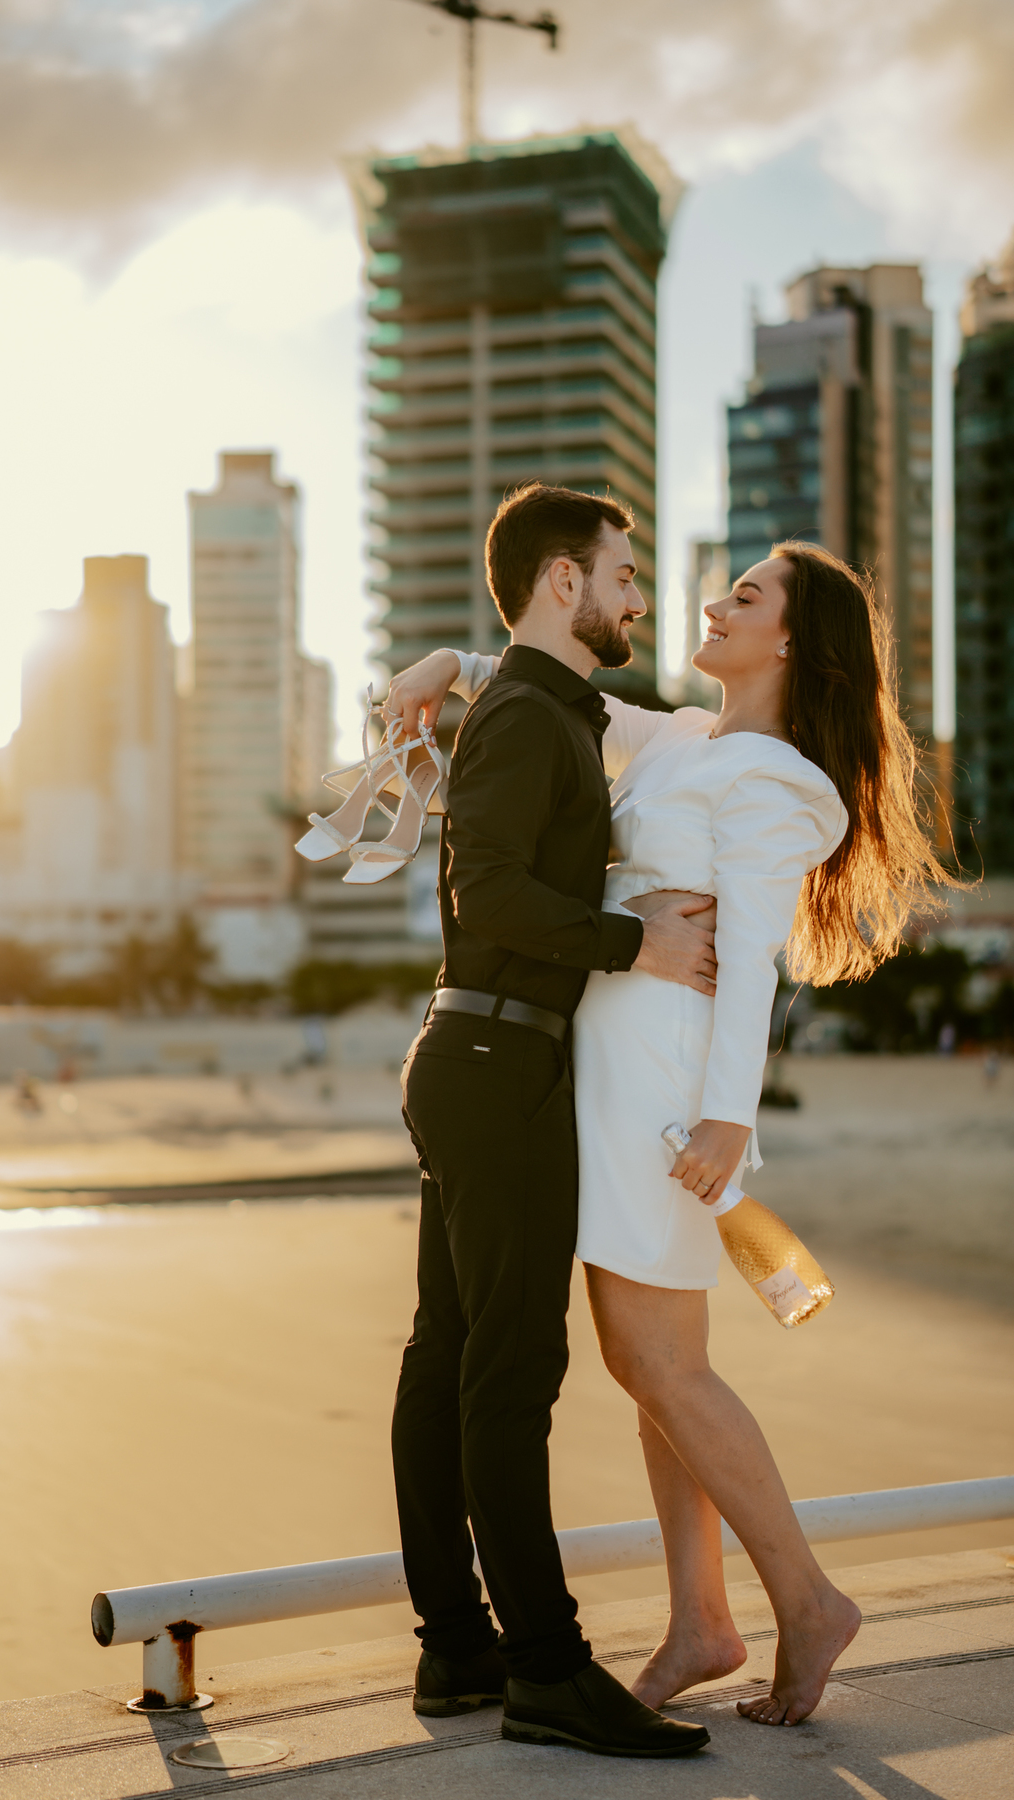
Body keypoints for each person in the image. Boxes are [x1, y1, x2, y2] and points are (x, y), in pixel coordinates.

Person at [387, 485, 956, 1731]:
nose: (706, 600)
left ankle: (803, 1599)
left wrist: (727, 1121)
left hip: (659, 1087)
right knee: (651, 1364)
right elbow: (550, 678)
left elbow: (747, 954)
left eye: (744, 595)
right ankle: (701, 1618)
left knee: (656, 1359)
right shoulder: (685, 736)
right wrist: (446, 660)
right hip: (594, 1068)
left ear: (793, 643)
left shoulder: (773, 778)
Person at [390, 484, 715, 1761]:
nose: (637, 596)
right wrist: (635, 942)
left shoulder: (534, 705)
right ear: (562, 585)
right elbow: (492, 882)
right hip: (495, 1058)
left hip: (475, 1055)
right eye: (622, 574)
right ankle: (545, 1667)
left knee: (450, 1356)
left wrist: (463, 664)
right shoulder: (528, 715)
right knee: (507, 1371)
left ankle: (457, 1644)